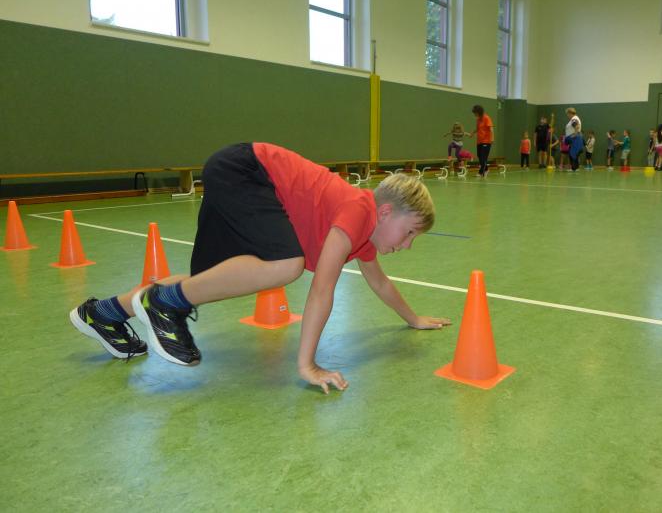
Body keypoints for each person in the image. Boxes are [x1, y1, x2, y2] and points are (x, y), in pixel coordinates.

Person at [69, 142, 451, 394]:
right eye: (409, 233)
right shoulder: (358, 211)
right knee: (287, 265)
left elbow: (380, 284)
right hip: (246, 171)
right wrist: (307, 364)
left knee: (209, 281)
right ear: (386, 212)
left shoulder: (365, 237)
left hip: (239, 175)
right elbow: (322, 290)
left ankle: (102, 314)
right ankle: (164, 304)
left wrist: (413, 318)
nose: (407, 244)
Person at [468, 105, 494, 177]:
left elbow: (491, 129)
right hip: (479, 141)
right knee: (479, 156)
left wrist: (492, 138)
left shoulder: (487, 118)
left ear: (479, 112)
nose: (474, 114)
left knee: (483, 157)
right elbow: (477, 129)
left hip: (486, 141)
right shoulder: (478, 120)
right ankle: (486, 169)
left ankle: (481, 172)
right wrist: (472, 133)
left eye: (475, 113)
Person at [564, 107, 583, 172]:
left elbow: (577, 126)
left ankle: (573, 168)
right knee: (573, 153)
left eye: (567, 114)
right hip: (574, 139)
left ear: (570, 113)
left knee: (572, 153)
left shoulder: (574, 119)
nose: (567, 115)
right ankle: (575, 168)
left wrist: (574, 134)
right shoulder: (574, 118)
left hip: (575, 139)